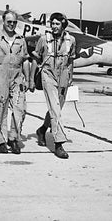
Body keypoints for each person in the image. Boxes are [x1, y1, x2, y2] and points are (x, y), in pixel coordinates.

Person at [0, 10, 30, 154]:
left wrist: (27, 79)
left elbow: (25, 60)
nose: (12, 25)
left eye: (14, 22)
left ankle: (13, 139)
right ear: (3, 22)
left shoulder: (21, 40)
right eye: (9, 22)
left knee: (19, 109)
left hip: (17, 77)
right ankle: (1, 140)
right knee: (0, 108)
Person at [30, 12, 76, 159]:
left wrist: (70, 77)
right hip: (48, 74)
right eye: (52, 23)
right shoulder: (43, 39)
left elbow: (71, 61)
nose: (54, 26)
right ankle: (59, 144)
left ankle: (42, 130)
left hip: (63, 76)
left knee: (56, 108)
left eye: (57, 24)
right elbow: (36, 59)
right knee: (55, 109)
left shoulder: (71, 40)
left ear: (63, 25)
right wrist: (31, 79)